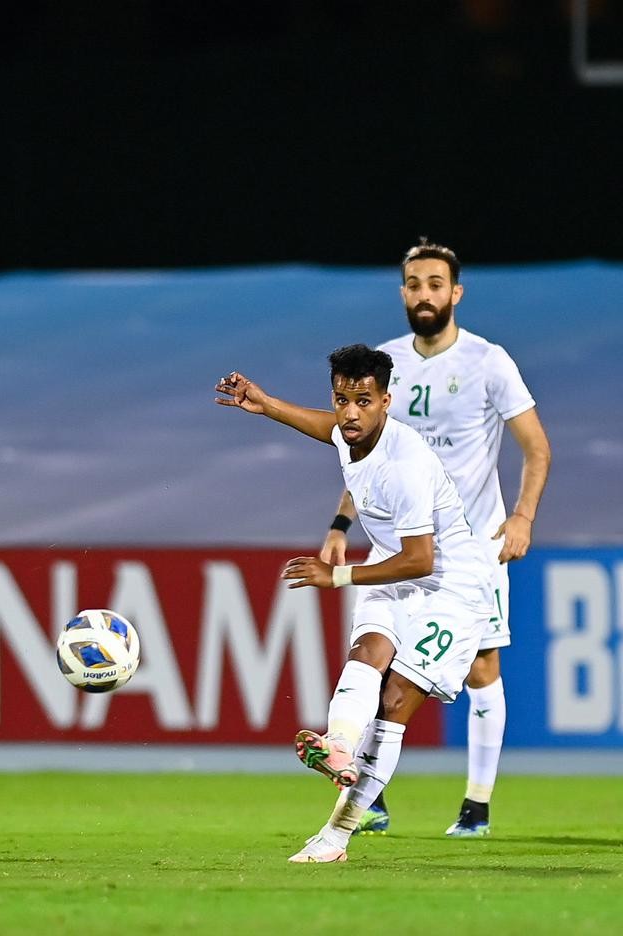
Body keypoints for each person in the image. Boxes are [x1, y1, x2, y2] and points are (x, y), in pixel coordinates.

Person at [215, 345, 493, 863]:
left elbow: (421, 559)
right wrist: (267, 404)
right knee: (368, 652)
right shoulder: (350, 434)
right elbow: (327, 429)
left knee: (395, 702)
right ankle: (339, 745)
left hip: (451, 587)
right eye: (342, 399)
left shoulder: (405, 465)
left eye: (363, 401)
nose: (349, 413)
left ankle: (336, 837)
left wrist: (337, 575)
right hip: (394, 565)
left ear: (386, 401)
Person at [320, 240, 551, 837]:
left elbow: (536, 447)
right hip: (404, 544)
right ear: (403, 292)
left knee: (481, 668)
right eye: (415, 284)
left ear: (456, 292)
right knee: (378, 656)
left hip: (472, 548)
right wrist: (341, 524)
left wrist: (522, 517)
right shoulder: (386, 365)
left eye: (435, 284)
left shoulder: (488, 361)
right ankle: (368, 797)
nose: (424, 294)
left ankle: (476, 806)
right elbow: (367, 452)